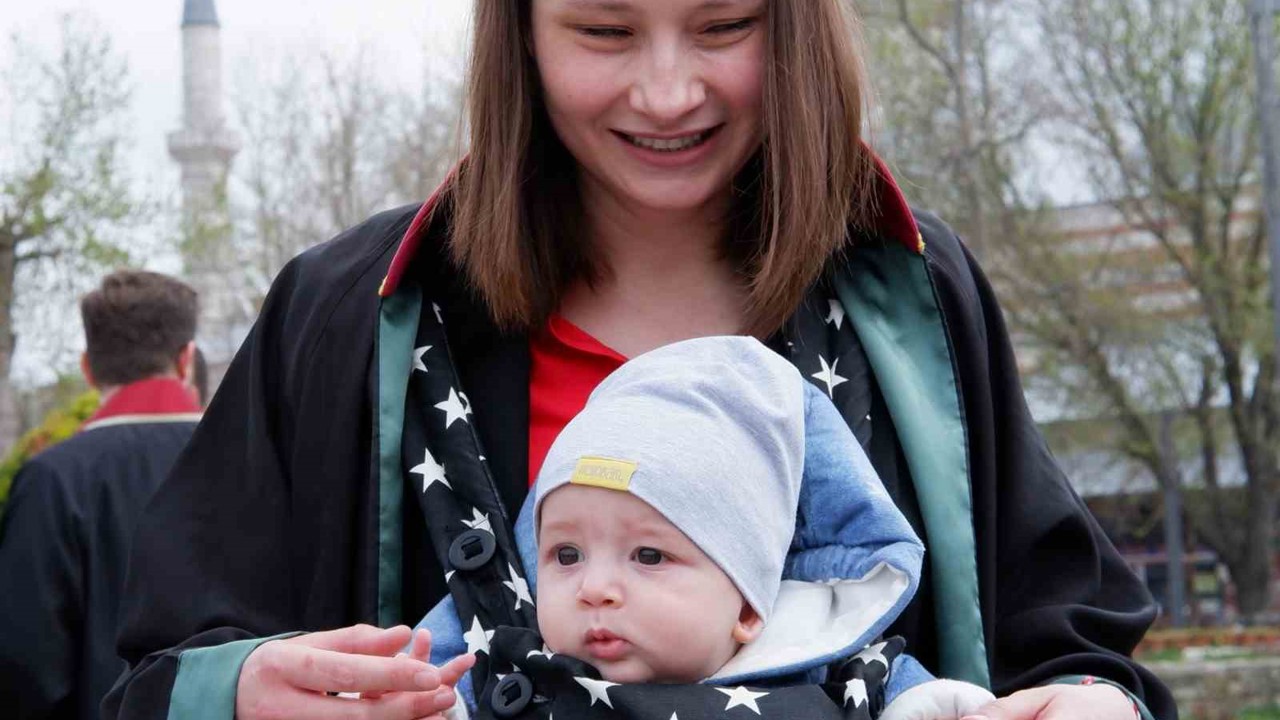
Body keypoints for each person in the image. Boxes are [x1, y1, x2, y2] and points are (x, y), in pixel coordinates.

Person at [104, 1, 1176, 719]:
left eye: (723, 25)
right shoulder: (348, 311)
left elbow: (1067, 640)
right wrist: (239, 690)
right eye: (605, 31)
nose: (666, 94)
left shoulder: (914, 292)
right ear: (518, 34)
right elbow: (150, 673)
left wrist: (1090, 700)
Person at [415, 336, 997, 720]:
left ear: (747, 607)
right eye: (566, 555)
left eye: (647, 555)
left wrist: (931, 703)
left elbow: (920, 702)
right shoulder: (519, 668)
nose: (593, 588)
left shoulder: (826, 658)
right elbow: (427, 696)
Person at [0, 270, 203, 720]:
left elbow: (26, 665)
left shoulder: (51, 479)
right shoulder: (249, 455)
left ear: (87, 368)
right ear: (186, 359)